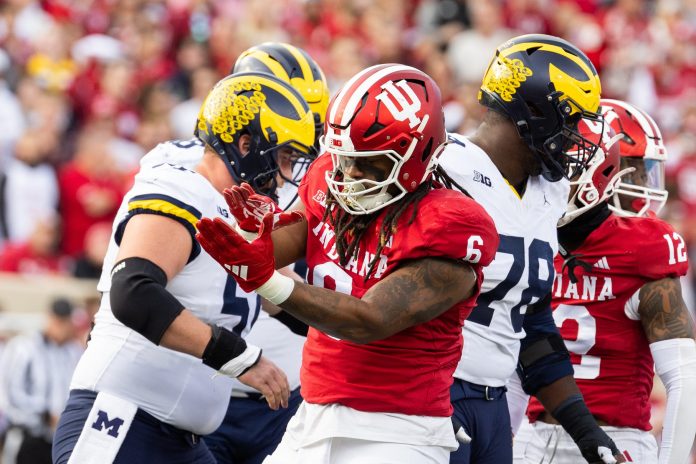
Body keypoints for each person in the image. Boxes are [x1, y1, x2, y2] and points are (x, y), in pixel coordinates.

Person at [196, 63, 500, 464]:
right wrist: (257, 238)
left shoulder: (451, 224)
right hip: (314, 414)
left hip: (399, 430)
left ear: (418, 154)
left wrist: (267, 280)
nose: (350, 174)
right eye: (344, 158)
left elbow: (369, 320)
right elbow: (304, 229)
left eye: (370, 162)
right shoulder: (331, 177)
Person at [51, 71, 316, 464]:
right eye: (283, 156)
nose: (288, 173)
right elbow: (134, 291)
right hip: (123, 419)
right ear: (246, 145)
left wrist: (367, 332)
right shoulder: (183, 188)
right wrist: (241, 357)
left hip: (180, 440)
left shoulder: (237, 215)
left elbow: (292, 301)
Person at [438, 34, 625, 463]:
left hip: (494, 407)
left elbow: (533, 324)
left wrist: (585, 430)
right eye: (572, 121)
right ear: (535, 113)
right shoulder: (447, 170)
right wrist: (415, 398)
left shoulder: (550, 193)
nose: (578, 136)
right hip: (434, 393)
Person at [515, 101, 696, 463]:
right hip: (532, 435)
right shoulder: (533, 232)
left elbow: (684, 375)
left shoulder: (645, 245)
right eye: (636, 172)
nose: (644, 185)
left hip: (616, 438)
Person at [203, 42, 331, 464]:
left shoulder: (321, 176)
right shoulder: (192, 170)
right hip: (211, 384)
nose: (290, 159)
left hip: (289, 387)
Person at [0, 299, 82, 464]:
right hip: (27, 435)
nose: (62, 326)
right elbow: (11, 393)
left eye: (65, 321)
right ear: (50, 318)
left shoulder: (73, 351)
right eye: (59, 320)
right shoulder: (24, 347)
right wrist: (45, 414)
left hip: (58, 438)